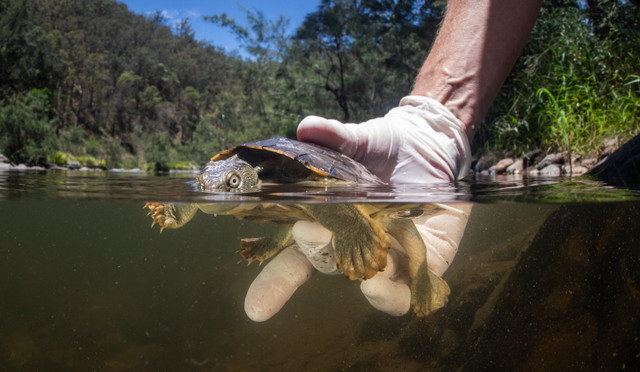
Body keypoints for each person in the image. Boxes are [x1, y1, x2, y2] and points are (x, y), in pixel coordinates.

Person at [244, 0, 544, 321]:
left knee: (411, 244)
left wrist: (436, 125)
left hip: (384, 207)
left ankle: (423, 278)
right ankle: (276, 242)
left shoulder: (401, 209)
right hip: (345, 204)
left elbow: (409, 233)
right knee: (306, 225)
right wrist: (436, 122)